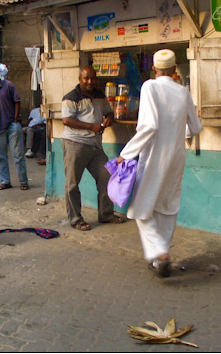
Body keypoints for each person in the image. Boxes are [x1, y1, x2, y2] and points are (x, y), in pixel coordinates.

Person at [116, 49, 202, 277]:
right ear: (174, 70)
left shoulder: (150, 87)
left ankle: (160, 253)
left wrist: (126, 154)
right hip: (176, 159)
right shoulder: (183, 92)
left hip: (154, 158)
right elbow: (195, 128)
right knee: (168, 207)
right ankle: (159, 260)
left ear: (154, 69)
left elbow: (149, 126)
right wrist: (175, 131)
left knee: (140, 208)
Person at [61, 66, 118, 231]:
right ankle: (76, 219)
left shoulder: (100, 95)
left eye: (92, 78)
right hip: (74, 144)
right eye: (86, 78)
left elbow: (109, 112)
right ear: (80, 79)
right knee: (72, 184)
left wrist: (109, 118)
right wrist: (91, 126)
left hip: (95, 146)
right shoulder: (70, 97)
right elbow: (67, 120)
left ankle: (106, 214)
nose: (89, 81)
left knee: (107, 177)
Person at [0, 66, 29, 190]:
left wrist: (16, 119)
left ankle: (23, 182)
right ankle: (5, 181)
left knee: (18, 155)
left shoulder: (8, 85)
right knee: (0, 157)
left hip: (12, 125)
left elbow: (17, 101)